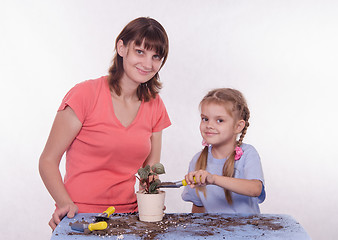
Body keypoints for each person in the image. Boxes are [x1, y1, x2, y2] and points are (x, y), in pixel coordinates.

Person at [39, 17, 171, 230]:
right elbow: (47, 160)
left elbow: (150, 170)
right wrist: (65, 204)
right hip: (80, 215)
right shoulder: (85, 95)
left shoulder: (155, 104)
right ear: (121, 47)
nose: (148, 64)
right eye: (140, 51)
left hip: (129, 216)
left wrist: (151, 200)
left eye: (156, 56)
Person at [181, 88, 265, 214]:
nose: (209, 125)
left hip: (247, 231)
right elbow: (198, 207)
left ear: (238, 126)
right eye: (205, 119)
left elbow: (255, 189)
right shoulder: (197, 161)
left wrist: (213, 179)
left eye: (219, 120)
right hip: (214, 232)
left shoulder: (248, 154)